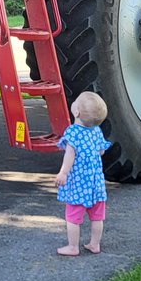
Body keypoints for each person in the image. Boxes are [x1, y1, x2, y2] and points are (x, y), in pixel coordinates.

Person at [54, 91, 111, 256]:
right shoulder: (96, 131)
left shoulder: (72, 132)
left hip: (78, 184)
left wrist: (63, 173)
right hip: (96, 184)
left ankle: (73, 247)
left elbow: (69, 155)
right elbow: (101, 152)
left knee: (72, 217)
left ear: (76, 112)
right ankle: (95, 244)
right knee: (97, 217)